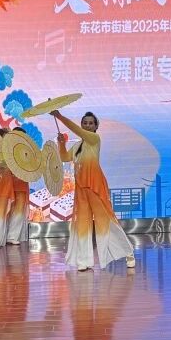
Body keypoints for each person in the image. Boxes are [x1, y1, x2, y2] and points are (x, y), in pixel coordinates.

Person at [53, 109, 136, 271]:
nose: (87, 125)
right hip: (81, 188)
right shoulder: (78, 145)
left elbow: (77, 131)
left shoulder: (94, 139)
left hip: (95, 186)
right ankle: (83, 260)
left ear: (96, 126)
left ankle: (128, 252)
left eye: (91, 123)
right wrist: (61, 143)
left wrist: (60, 117)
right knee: (82, 223)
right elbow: (64, 158)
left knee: (106, 221)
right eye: (85, 123)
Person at [6, 128, 31, 245]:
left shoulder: (27, 150)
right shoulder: (7, 149)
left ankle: (12, 236)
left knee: (19, 209)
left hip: (21, 182)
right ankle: (5, 235)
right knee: (8, 209)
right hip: (8, 182)